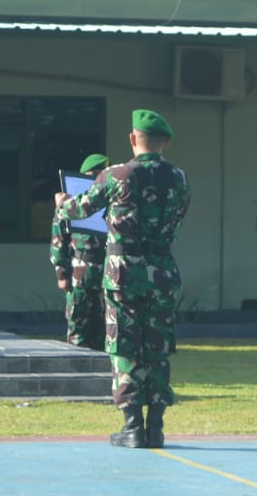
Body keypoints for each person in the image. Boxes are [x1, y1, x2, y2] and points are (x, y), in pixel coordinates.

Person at [55, 110, 189, 449]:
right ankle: (156, 426)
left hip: (122, 273)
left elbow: (79, 210)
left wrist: (62, 204)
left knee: (124, 345)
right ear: (166, 143)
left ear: (133, 139)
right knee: (156, 347)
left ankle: (132, 426)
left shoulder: (115, 174)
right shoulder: (179, 178)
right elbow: (180, 215)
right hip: (161, 272)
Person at [51, 153, 110, 350]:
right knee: (78, 326)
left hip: (107, 270)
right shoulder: (70, 202)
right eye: (93, 174)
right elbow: (58, 240)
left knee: (105, 327)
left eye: (100, 174)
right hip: (80, 271)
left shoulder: (111, 199)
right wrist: (62, 273)